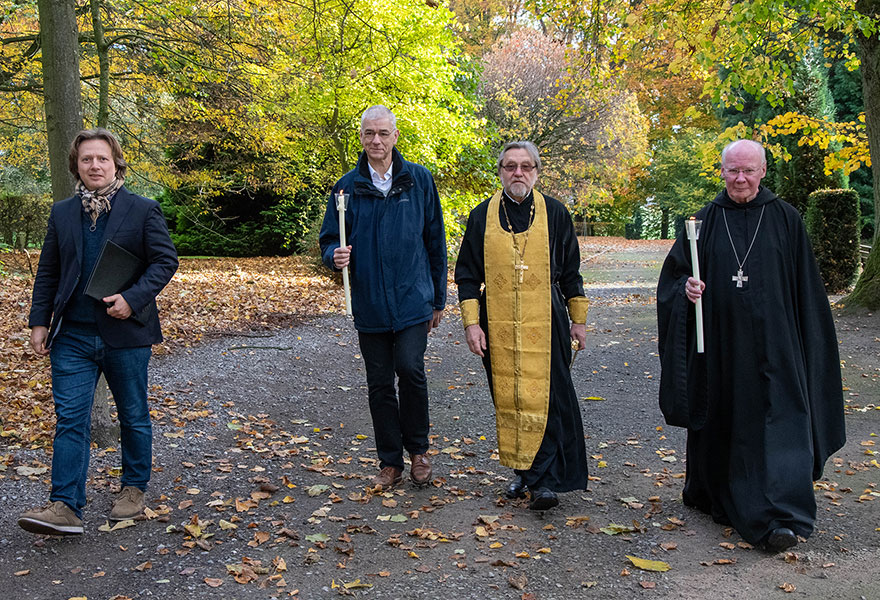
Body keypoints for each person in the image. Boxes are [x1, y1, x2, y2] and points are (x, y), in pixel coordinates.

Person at [656, 139, 845, 551]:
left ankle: (780, 514)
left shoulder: (786, 219)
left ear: (763, 172)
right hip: (722, 349)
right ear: (721, 172)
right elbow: (673, 279)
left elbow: (806, 291)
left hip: (777, 347)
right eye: (732, 171)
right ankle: (720, 493)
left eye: (748, 170)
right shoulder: (703, 221)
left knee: (780, 418)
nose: (740, 178)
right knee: (728, 420)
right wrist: (685, 289)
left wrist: (807, 347)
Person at [18, 128, 179, 535]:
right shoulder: (62, 213)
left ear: (116, 163)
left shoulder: (143, 210)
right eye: (87, 159)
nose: (94, 166)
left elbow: (164, 261)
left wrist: (133, 298)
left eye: (102, 159)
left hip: (125, 333)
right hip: (70, 335)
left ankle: (133, 489)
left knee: (133, 415)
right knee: (70, 419)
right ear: (77, 165)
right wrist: (39, 320)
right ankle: (65, 505)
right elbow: (49, 271)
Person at [455, 141, 588, 510]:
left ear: (536, 172)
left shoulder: (557, 213)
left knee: (547, 397)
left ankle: (543, 482)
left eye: (525, 167)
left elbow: (572, 272)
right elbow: (467, 276)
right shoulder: (481, 215)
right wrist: (471, 324)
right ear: (500, 172)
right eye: (511, 166)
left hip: (548, 320)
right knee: (509, 398)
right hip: (495, 323)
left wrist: (579, 320)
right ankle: (524, 470)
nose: (518, 173)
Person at [319, 105, 446, 490]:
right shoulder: (346, 189)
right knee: (378, 383)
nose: (376, 140)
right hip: (370, 303)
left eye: (383, 133)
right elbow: (329, 241)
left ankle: (419, 451)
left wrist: (438, 299)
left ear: (395, 137)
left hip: (412, 300)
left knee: (410, 369)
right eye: (369, 134)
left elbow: (435, 243)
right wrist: (333, 256)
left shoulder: (418, 181)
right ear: (361, 137)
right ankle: (389, 461)